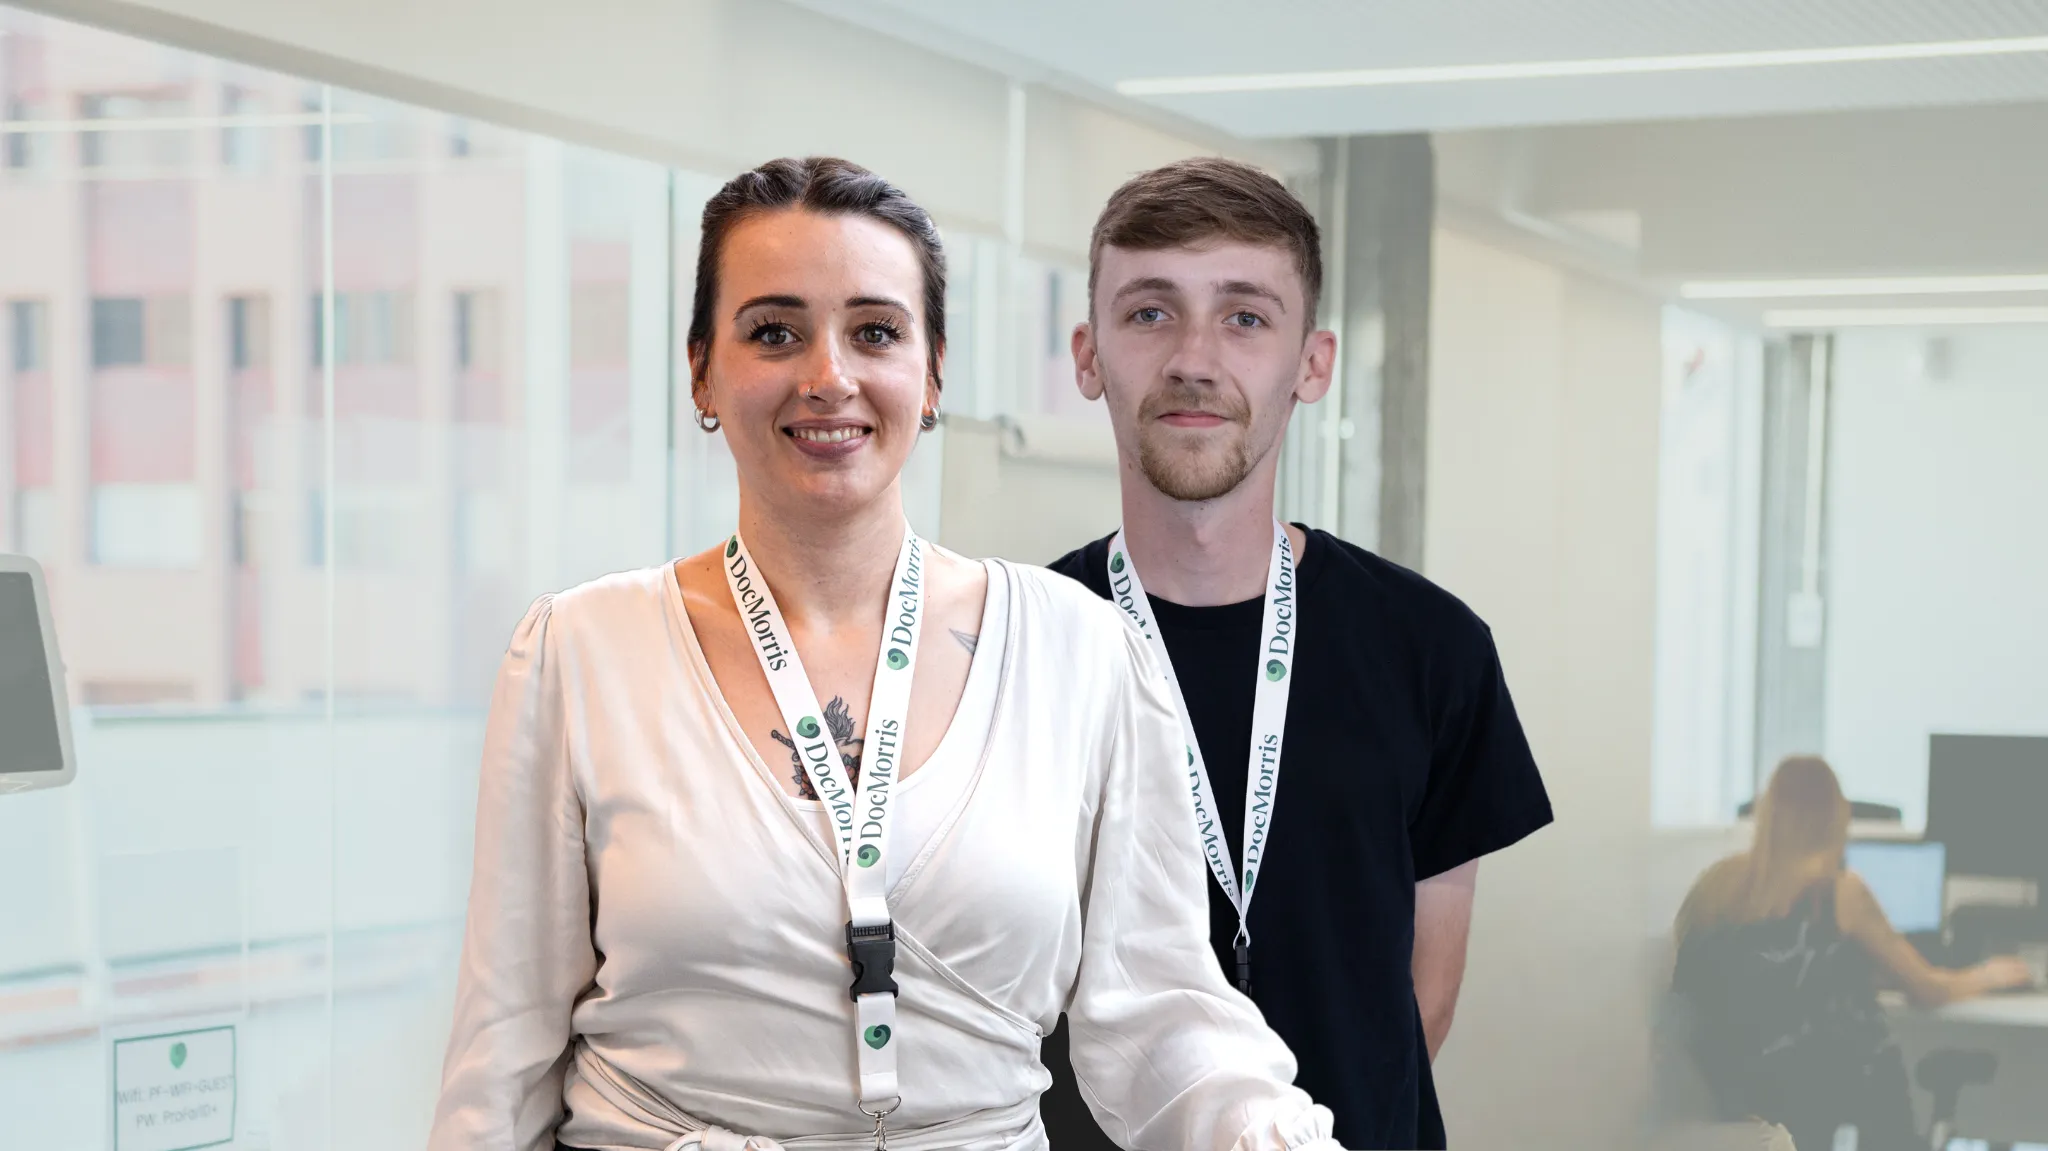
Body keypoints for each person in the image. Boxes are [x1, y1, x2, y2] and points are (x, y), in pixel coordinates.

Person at [426, 156, 1351, 1151]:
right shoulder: (581, 651)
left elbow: (1159, 1012)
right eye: (773, 331)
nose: (829, 376)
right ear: (700, 367)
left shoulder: (1078, 653)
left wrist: (1261, 1125)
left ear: (933, 371)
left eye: (874, 331)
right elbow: (503, 1058)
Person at [1041, 157, 1555, 1150]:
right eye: (1149, 313)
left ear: (1309, 364)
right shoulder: (1009, 646)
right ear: (1088, 353)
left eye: (1243, 317)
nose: (1194, 358)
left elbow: (1421, 999)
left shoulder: (1430, 648)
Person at [1671, 755, 2034, 1151]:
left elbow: (1728, 977)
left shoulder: (1717, 884)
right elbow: (1926, 988)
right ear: (1836, 817)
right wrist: (1990, 975)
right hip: (1831, 1095)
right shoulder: (1836, 891)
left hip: (1739, 1100)